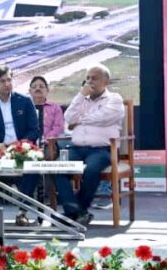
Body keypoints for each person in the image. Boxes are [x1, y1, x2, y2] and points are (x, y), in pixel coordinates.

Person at [53, 64, 124, 226]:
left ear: (106, 82)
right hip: (77, 148)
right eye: (88, 78)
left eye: (94, 78)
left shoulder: (114, 99)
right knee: (58, 167)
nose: (90, 81)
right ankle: (77, 212)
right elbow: (68, 117)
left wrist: (80, 120)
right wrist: (80, 96)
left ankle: (73, 213)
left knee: (91, 170)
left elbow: (104, 117)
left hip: (102, 149)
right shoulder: (81, 100)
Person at [0, 66, 40, 226]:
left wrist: (20, 144)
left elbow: (34, 130)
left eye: (9, 80)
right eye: (1, 81)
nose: (6, 84)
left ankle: (22, 212)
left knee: (33, 166)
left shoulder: (25, 101)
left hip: (21, 148)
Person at [29, 76, 65, 144]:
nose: (38, 89)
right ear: (30, 91)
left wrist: (46, 139)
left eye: (41, 86)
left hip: (50, 143)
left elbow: (58, 127)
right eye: (34, 87)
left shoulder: (55, 107)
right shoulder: (25, 108)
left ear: (47, 90)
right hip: (27, 144)